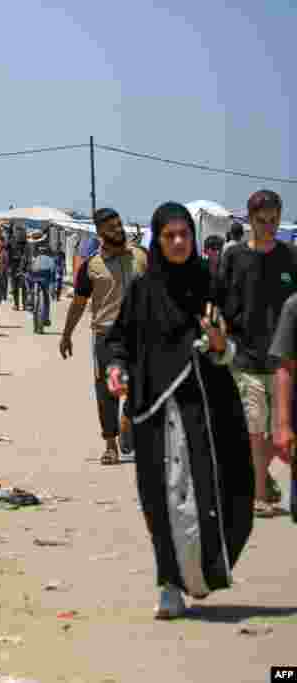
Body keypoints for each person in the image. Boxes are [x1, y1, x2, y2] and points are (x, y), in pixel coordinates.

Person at [105, 201, 253, 619]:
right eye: (169, 235)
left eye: (183, 234)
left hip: (204, 409)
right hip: (153, 409)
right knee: (159, 499)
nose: (177, 242)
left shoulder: (210, 284)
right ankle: (169, 582)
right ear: (158, 239)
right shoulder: (143, 288)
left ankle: (200, 573)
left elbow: (231, 342)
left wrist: (219, 343)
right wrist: (117, 368)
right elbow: (120, 340)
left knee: (211, 492)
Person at [215, 189, 297, 517]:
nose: (269, 226)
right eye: (262, 221)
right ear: (250, 220)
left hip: (284, 361)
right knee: (255, 428)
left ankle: (260, 475)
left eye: (274, 220)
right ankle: (260, 494)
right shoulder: (233, 257)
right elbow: (218, 299)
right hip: (245, 356)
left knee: (280, 432)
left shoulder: (290, 256)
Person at [59, 207, 148, 465]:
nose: (118, 230)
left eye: (119, 224)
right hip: (107, 335)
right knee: (108, 390)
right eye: (111, 227)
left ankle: (128, 419)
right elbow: (78, 303)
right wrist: (66, 334)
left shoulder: (142, 256)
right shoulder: (91, 266)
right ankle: (110, 444)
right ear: (100, 233)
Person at [26, 231, 56, 328]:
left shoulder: (30, 247)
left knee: (30, 283)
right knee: (46, 295)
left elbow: (27, 260)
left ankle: (30, 300)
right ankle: (45, 316)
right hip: (44, 274)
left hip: (35, 273)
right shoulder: (41, 247)